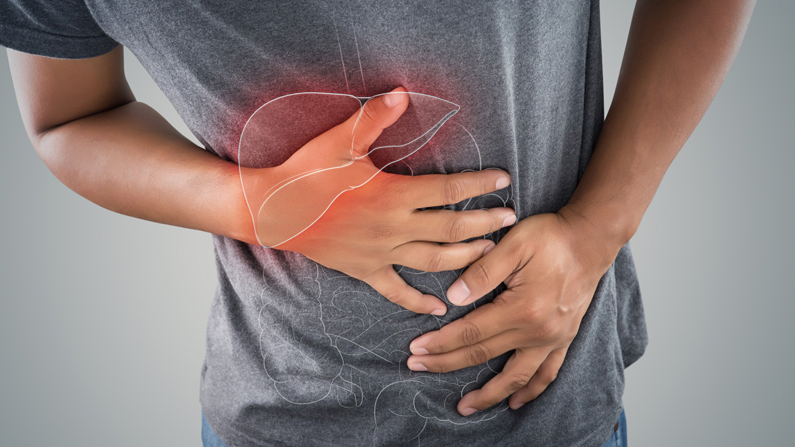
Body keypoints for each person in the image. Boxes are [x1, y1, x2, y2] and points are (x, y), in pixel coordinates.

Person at [1, 1, 754, 445]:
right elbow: (69, 116)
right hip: (277, 413)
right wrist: (251, 203)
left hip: (549, 411)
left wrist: (599, 225)